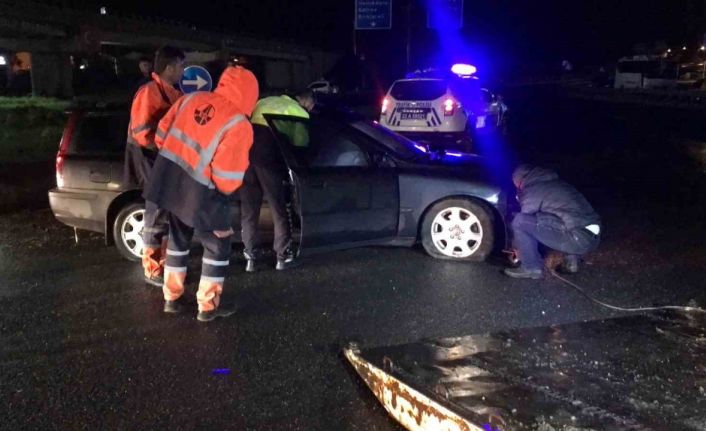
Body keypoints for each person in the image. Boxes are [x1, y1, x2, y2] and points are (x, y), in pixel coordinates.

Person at [144, 66, 259, 322]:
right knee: (217, 244)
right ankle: (208, 307)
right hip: (202, 193)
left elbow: (161, 134)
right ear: (251, 95)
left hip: (169, 181)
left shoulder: (191, 99)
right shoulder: (239, 123)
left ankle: (172, 298)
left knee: (178, 239)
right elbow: (227, 177)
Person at [123, 46, 185, 287]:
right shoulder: (149, 92)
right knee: (157, 212)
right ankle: (152, 268)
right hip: (149, 157)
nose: (182, 70)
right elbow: (141, 134)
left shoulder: (170, 92)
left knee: (164, 212)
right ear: (169, 68)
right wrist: (164, 147)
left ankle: (165, 264)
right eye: (180, 66)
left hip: (161, 158)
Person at [240, 90, 315, 272]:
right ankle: (283, 257)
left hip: (247, 158)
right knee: (278, 209)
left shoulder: (265, 101)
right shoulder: (299, 112)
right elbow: (300, 145)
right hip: (269, 161)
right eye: (312, 106)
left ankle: (250, 258)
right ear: (307, 101)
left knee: (249, 211)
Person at [504, 165, 601, 279]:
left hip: (577, 237)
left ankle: (531, 268)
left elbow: (525, 220)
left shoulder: (533, 188)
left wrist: (516, 248)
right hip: (593, 237)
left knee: (519, 221)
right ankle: (571, 262)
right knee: (561, 218)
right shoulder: (557, 184)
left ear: (519, 180)